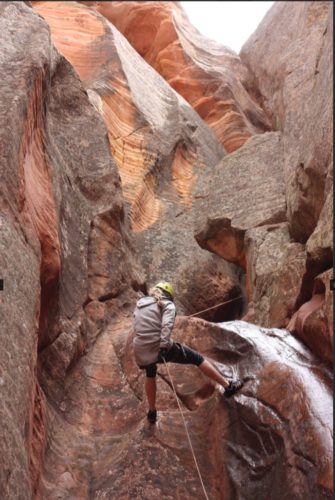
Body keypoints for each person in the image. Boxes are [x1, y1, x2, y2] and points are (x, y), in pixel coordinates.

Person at [133, 281, 243, 423]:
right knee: (197, 358)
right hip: (158, 346)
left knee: (150, 372)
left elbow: (140, 325)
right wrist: (163, 346)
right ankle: (228, 386)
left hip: (140, 350)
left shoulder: (140, 304)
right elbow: (166, 325)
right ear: (168, 295)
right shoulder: (168, 305)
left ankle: (152, 411)